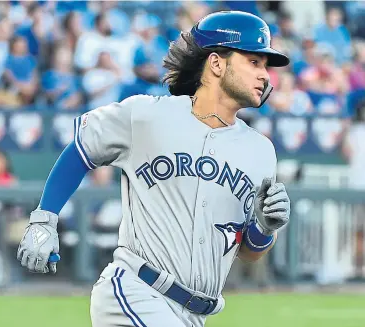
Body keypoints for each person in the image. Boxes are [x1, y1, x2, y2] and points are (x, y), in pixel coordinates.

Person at [17, 11, 291, 327]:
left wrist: (265, 227)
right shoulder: (147, 115)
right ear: (216, 64)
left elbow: (248, 252)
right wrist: (44, 218)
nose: (266, 75)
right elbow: (82, 148)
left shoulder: (261, 152)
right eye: (254, 62)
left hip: (194, 315)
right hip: (134, 291)